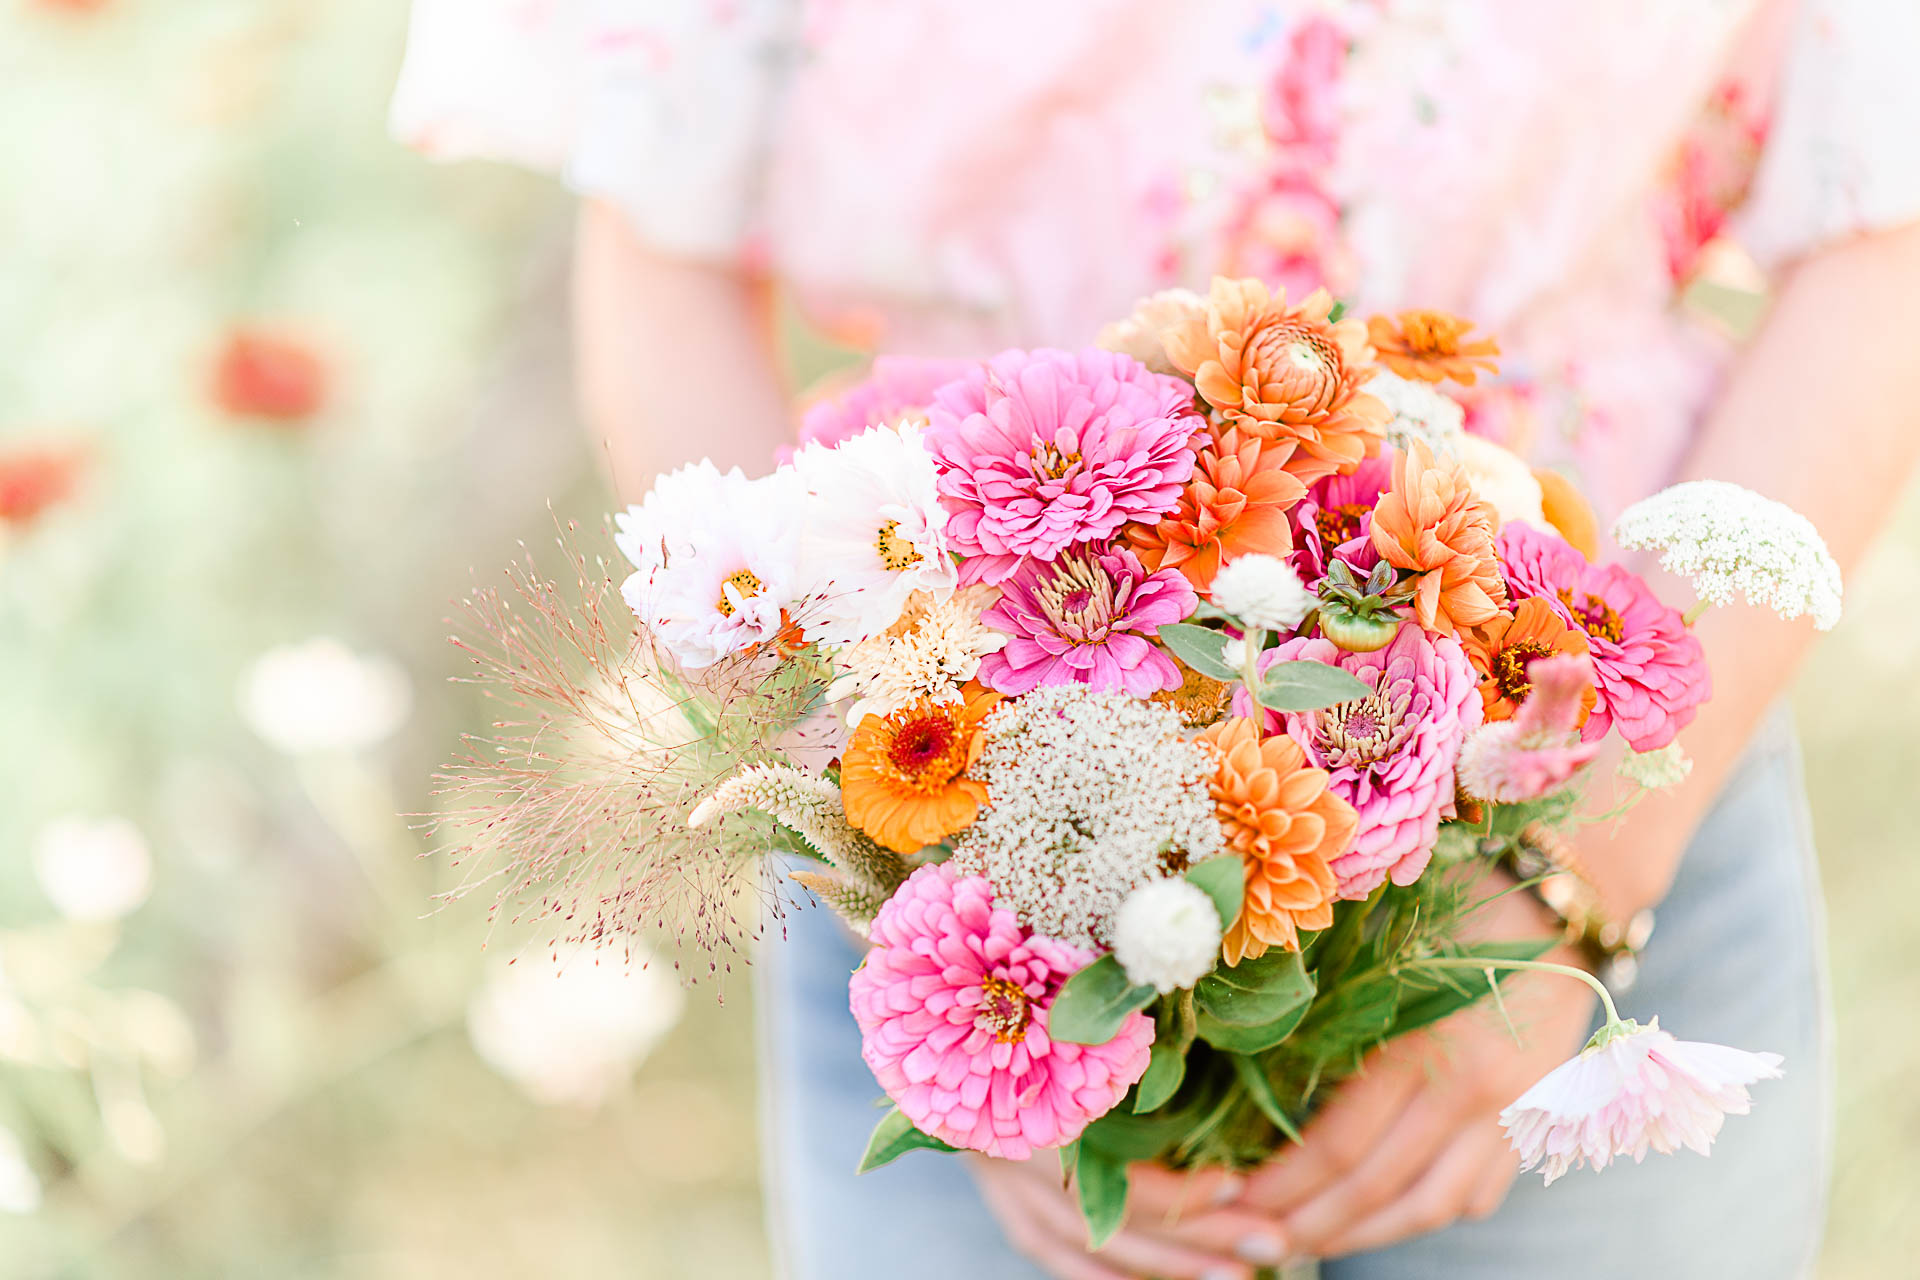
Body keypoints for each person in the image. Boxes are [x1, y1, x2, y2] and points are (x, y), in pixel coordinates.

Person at [391, 2, 1920, 1276]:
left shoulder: (1586, 857)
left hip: (1596, 795)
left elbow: (1885, 217)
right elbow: (657, 244)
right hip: (956, 823)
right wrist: (925, 894)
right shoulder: (938, 874)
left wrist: (1578, 876)